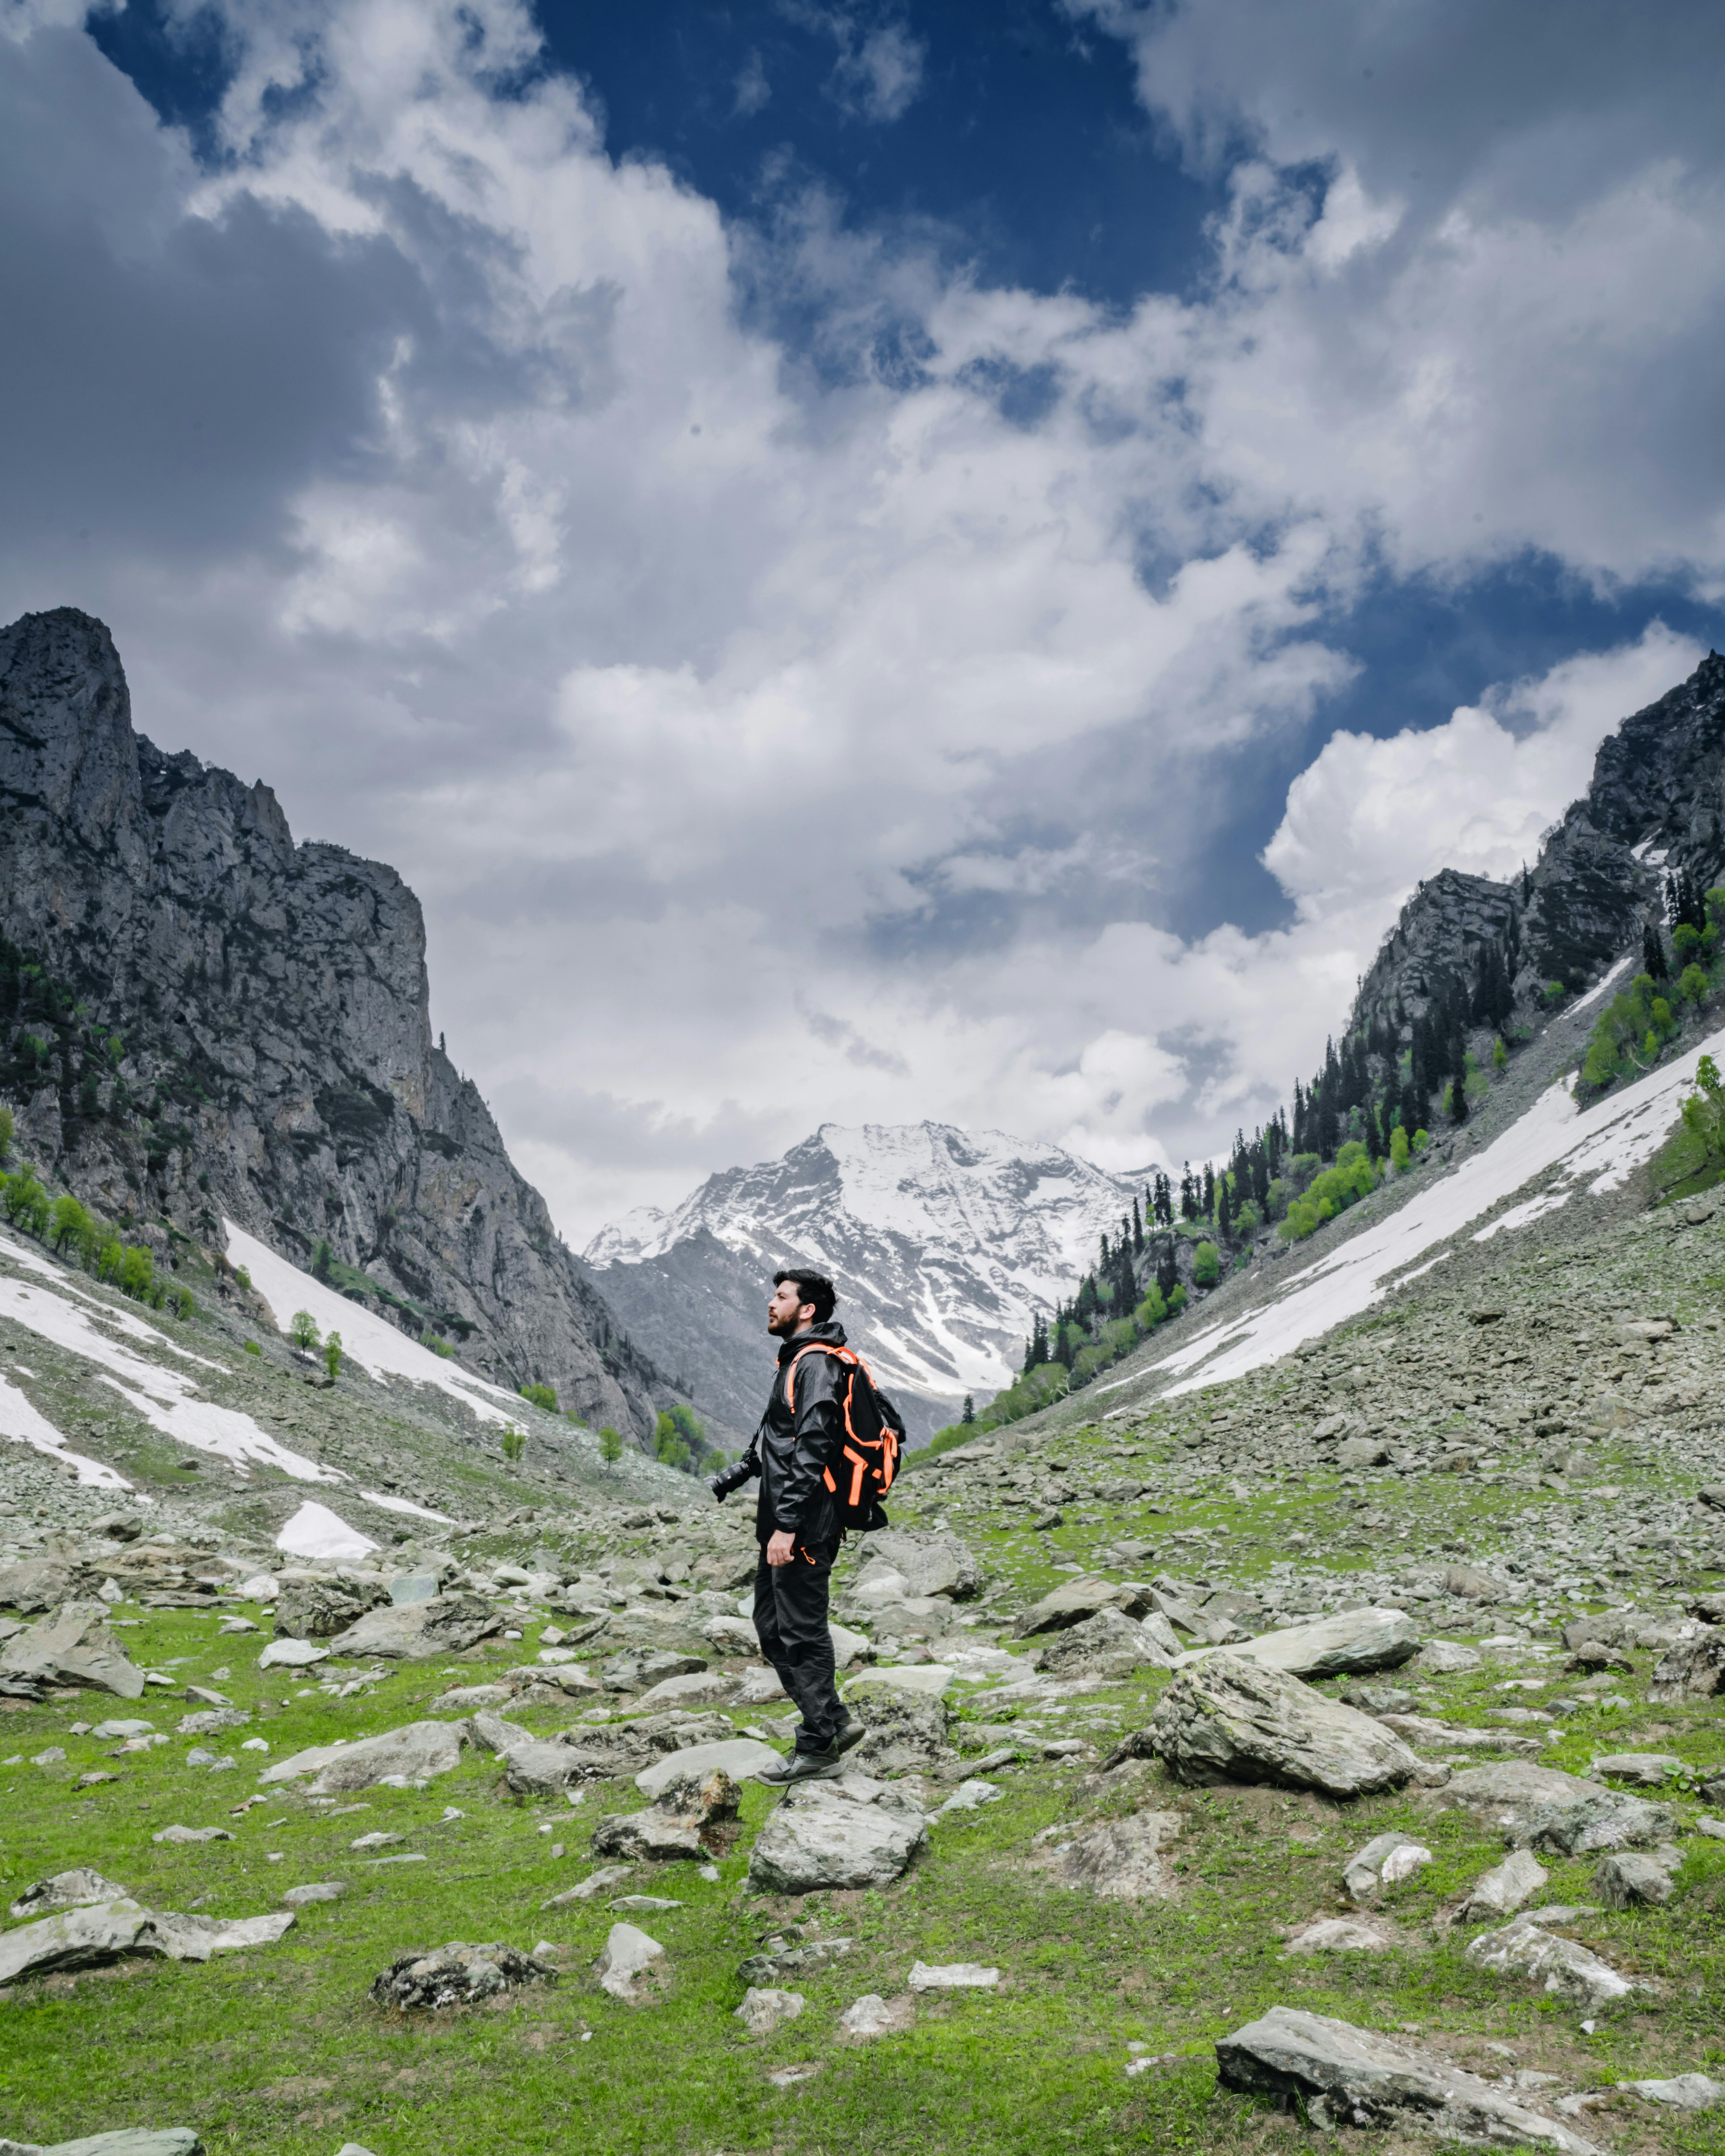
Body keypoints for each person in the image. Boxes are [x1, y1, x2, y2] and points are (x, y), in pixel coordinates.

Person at [708, 1266, 865, 1783]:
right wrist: (742, 1473)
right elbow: (780, 1439)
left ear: (808, 1310)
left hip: (802, 1523)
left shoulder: (816, 1364)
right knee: (773, 1627)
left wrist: (788, 1526)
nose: (770, 1305)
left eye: (781, 1297)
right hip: (784, 1519)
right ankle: (833, 1721)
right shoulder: (796, 1360)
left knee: (800, 1630)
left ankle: (819, 1746)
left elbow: (815, 1446)